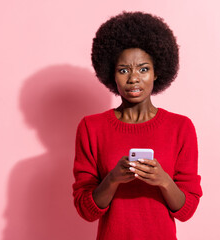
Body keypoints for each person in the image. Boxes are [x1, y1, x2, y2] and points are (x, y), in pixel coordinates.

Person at [72, 11, 203, 240]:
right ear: (111, 74)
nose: (133, 78)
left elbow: (187, 209)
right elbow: (85, 208)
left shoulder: (180, 127)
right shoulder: (91, 127)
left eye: (143, 69)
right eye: (124, 70)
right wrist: (113, 179)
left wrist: (163, 180)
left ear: (157, 72)